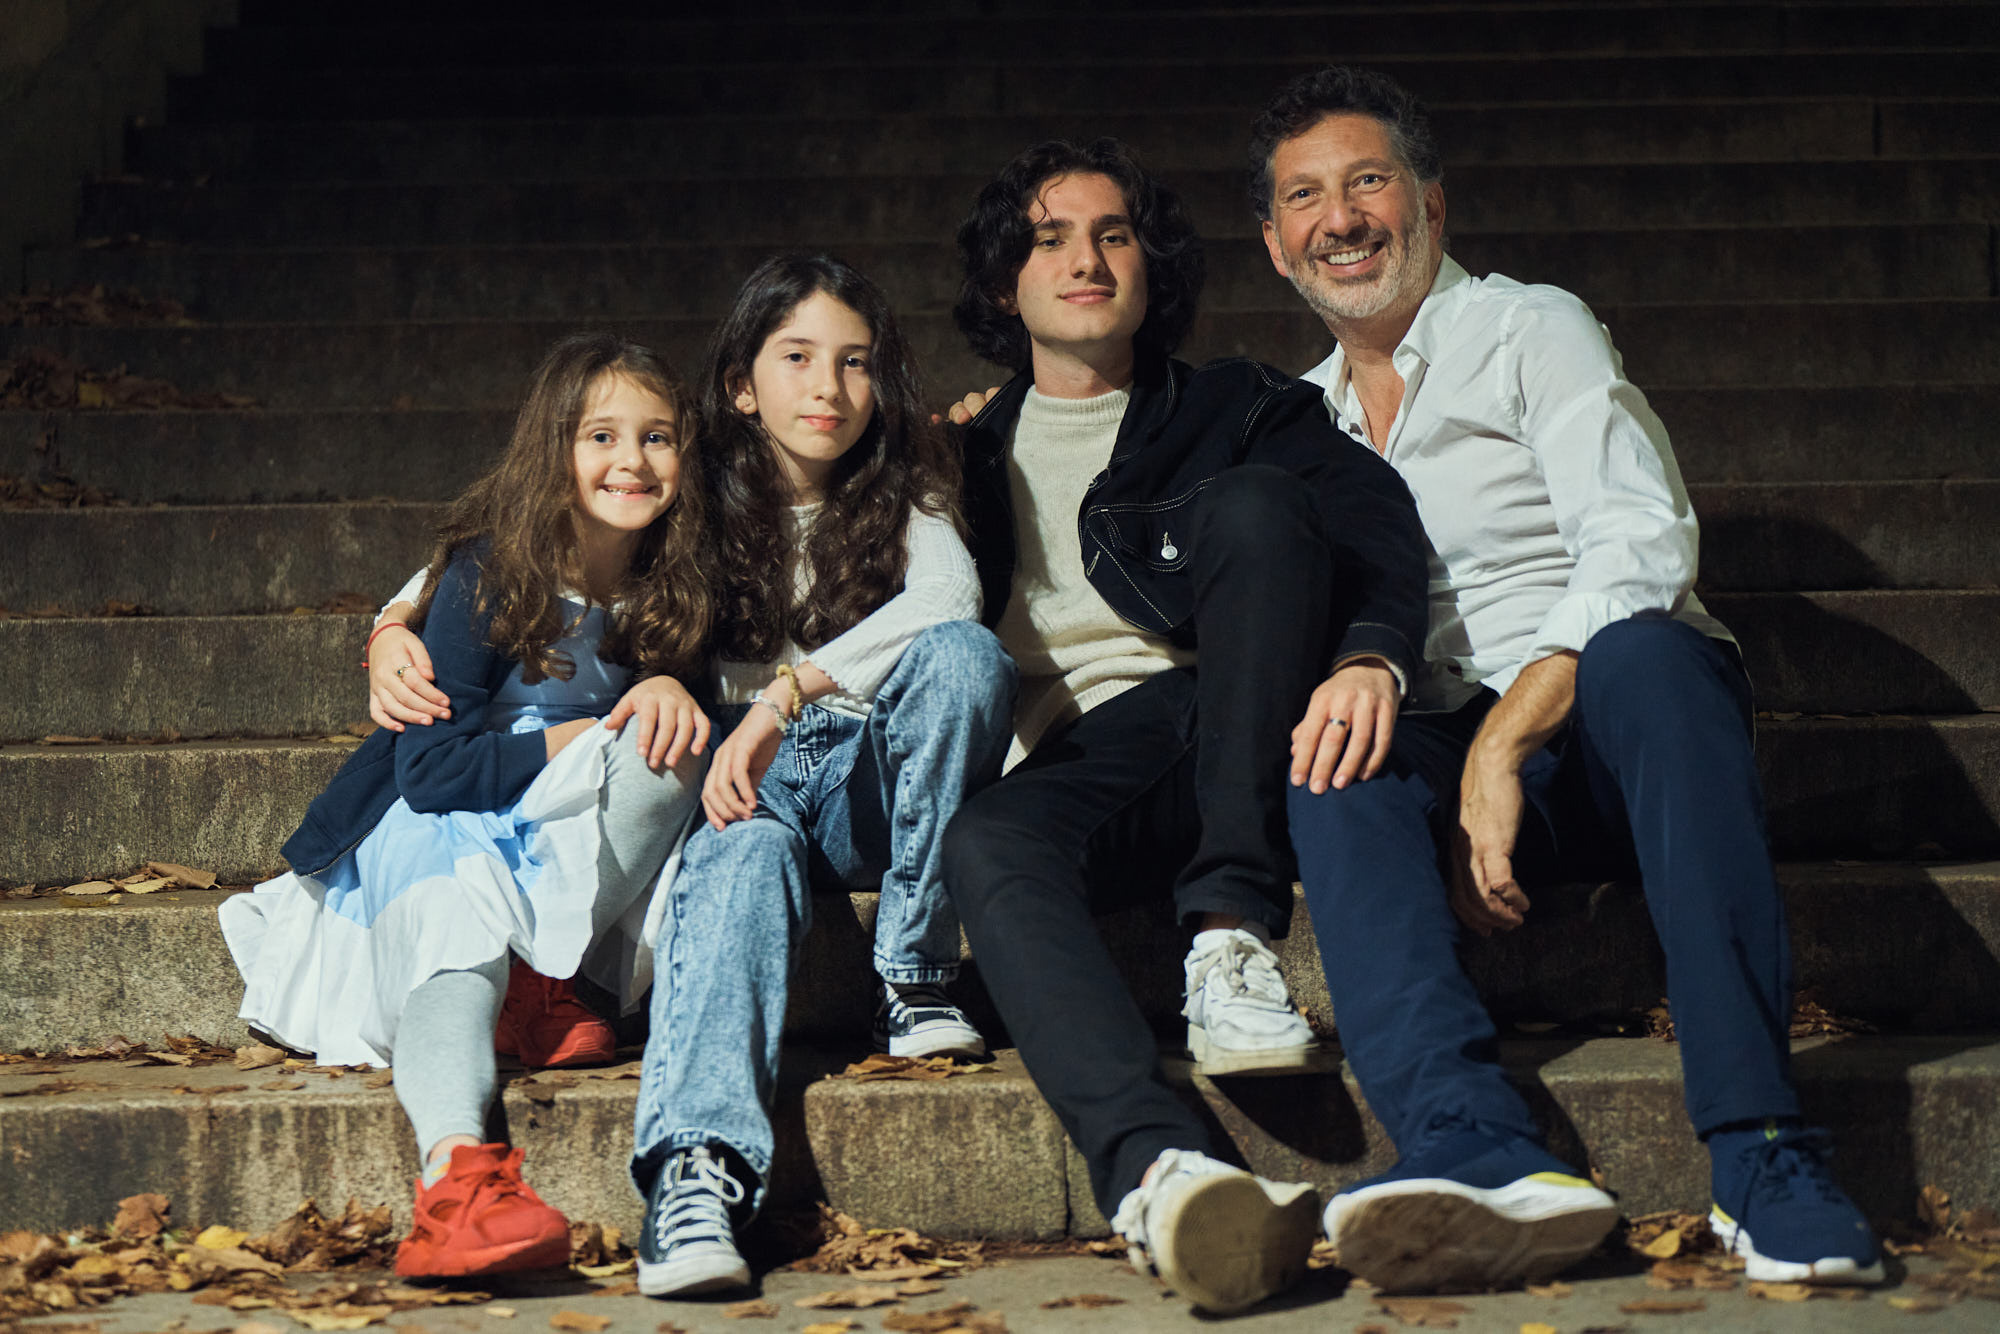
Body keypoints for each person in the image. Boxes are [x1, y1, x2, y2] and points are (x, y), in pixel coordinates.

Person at [1252, 65, 1883, 1292]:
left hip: (1614, 728)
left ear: (1431, 203)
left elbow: (1639, 541)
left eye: (1366, 180)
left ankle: (1761, 1150)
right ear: (1274, 246)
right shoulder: (1293, 420)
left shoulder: (1528, 324)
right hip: (1450, 741)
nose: (1340, 217)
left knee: (1646, 648)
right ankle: (1467, 1139)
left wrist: (1502, 745)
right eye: (1304, 197)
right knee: (1330, 760)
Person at [938, 139, 1430, 1314]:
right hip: (1085, 766)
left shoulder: (1239, 405)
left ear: (1150, 267)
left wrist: (1371, 656)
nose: (1086, 258)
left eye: (1112, 233)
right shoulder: (950, 452)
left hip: (1227, 716)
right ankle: (1160, 1170)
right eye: (1048, 238)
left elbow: (1378, 525)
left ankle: (1226, 923)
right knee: (987, 843)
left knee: (1262, 505)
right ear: (1005, 282)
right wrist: (405, 606)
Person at [221, 333, 712, 1278]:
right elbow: (433, 774)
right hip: (442, 821)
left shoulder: (678, 585)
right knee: (457, 926)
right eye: (600, 435)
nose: (631, 460)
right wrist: (584, 730)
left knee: (669, 743)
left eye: (658, 438)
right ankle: (457, 1179)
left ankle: (545, 987)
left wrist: (661, 696)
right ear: (553, 452)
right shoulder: (493, 572)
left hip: (571, 845)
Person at [631, 254, 1016, 1299]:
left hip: (861, 777)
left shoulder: (903, 487)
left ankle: (913, 970)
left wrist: (782, 696)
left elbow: (951, 596)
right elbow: (542, 522)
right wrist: (399, 618)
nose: (827, 389)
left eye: (853, 363)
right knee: (740, 858)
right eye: (796, 358)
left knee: (966, 658)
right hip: (738, 784)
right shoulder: (691, 494)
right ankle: (692, 1171)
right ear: (740, 384)